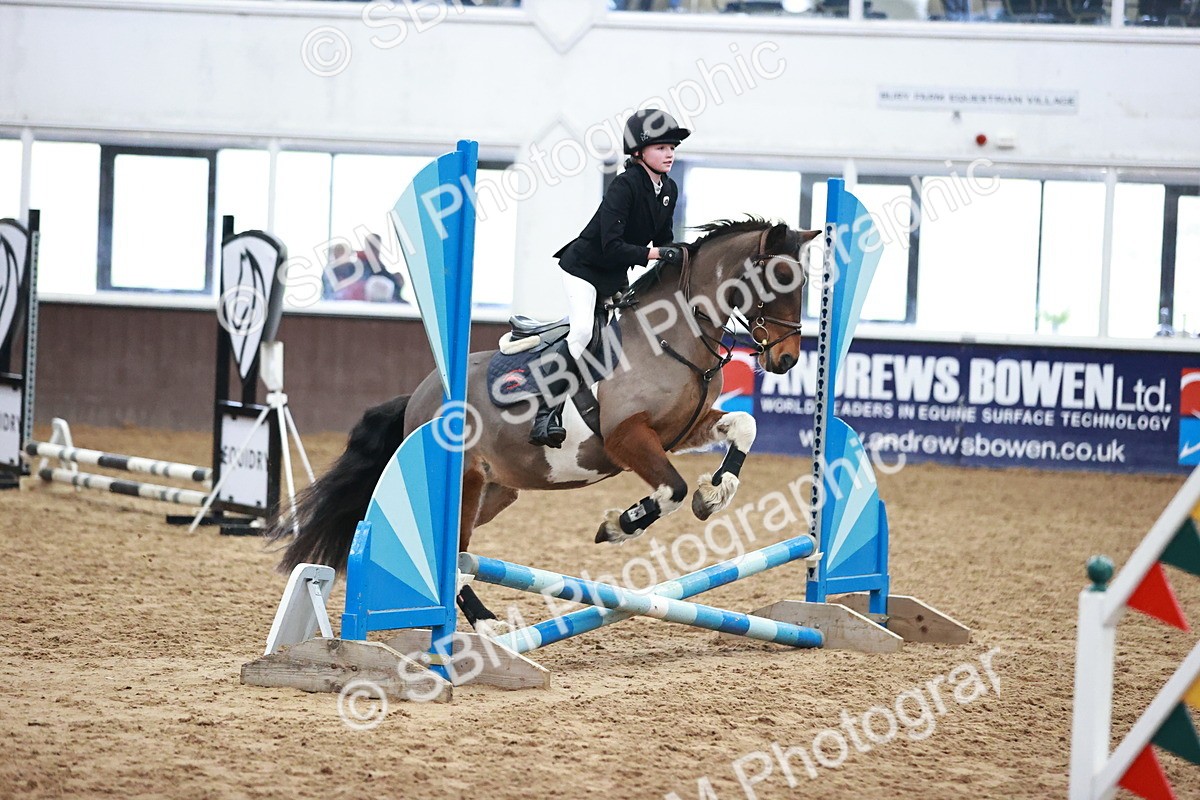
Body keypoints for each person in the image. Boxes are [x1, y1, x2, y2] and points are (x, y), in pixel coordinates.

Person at [528, 108, 689, 448]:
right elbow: (613, 246)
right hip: (584, 270)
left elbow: (663, 239)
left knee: (626, 337)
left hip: (615, 276)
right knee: (584, 332)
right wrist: (658, 255)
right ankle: (546, 413)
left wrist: (685, 257)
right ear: (639, 152)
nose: (670, 152)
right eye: (661, 147)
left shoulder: (668, 189)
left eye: (672, 146)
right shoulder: (624, 185)